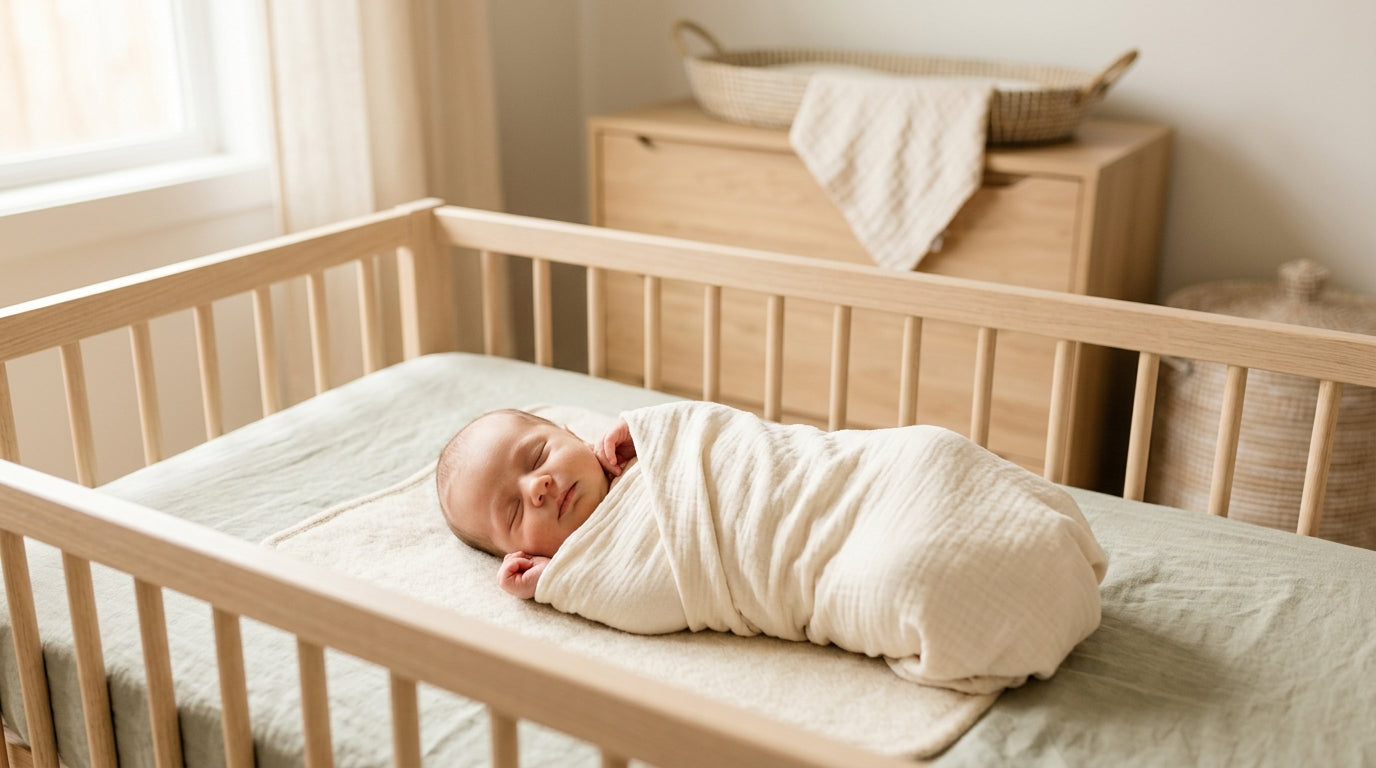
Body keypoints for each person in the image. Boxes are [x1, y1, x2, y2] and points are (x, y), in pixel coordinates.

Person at [436, 408, 636, 599]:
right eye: (515, 511)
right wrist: (553, 578)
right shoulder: (593, 566)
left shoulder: (634, 450)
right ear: (521, 556)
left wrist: (641, 428)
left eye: (538, 458)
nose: (536, 487)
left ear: (574, 436)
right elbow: (636, 596)